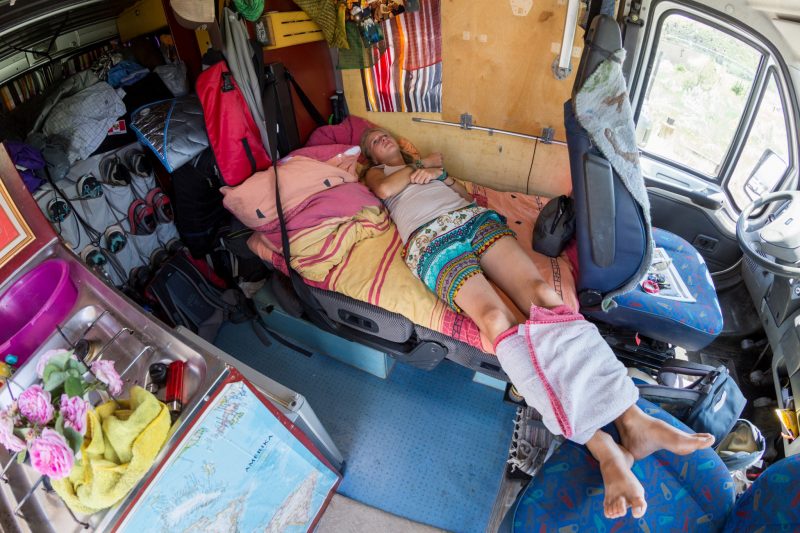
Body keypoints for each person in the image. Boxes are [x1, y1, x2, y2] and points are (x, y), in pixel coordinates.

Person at [360, 127, 715, 520]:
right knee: (497, 321)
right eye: (372, 140)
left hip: (470, 219)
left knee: (544, 297)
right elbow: (384, 189)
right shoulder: (379, 174)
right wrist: (421, 168)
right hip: (429, 238)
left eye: (383, 134)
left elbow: (459, 192)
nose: (380, 138)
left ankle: (632, 417)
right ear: (371, 156)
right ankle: (601, 446)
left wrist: (435, 171)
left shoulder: (426, 165)